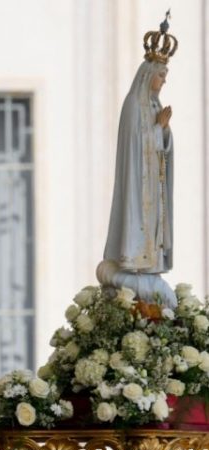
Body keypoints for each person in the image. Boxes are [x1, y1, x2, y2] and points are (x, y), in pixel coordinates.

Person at [97, 13, 178, 308]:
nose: (163, 81)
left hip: (153, 186)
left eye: (165, 77)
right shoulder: (134, 104)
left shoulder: (155, 105)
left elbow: (161, 147)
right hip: (138, 182)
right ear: (148, 74)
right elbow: (135, 147)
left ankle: (150, 265)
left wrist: (164, 131)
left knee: (154, 225)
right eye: (160, 75)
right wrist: (157, 129)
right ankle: (132, 260)